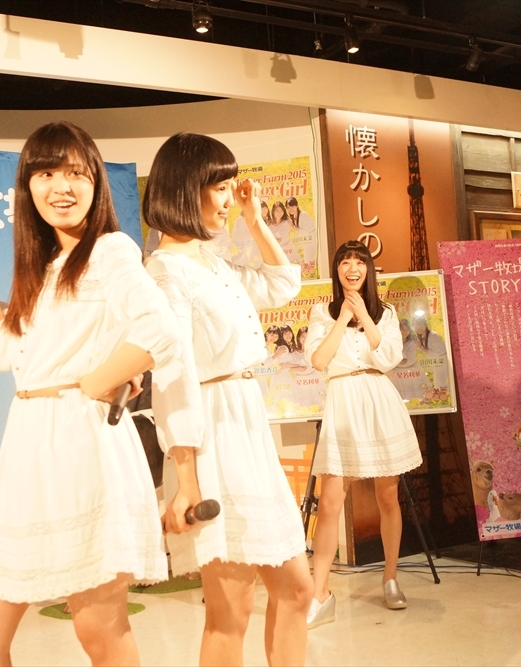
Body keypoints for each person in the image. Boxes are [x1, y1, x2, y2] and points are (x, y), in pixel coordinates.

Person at [0, 122, 192, 666]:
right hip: (29, 449)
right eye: (46, 174)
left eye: (75, 174)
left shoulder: (109, 250)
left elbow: (161, 330)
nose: (61, 186)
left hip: (82, 446)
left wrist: (99, 379)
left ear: (95, 183)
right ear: (27, 186)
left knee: (99, 631)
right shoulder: (42, 267)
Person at [143, 133, 313, 667]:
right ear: (184, 188)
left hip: (245, 424)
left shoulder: (212, 263)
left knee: (297, 590)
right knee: (230, 612)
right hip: (209, 436)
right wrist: (186, 478)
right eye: (219, 187)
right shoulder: (164, 272)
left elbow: (283, 285)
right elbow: (171, 378)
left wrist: (254, 221)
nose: (227, 198)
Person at [302, 240, 424, 628]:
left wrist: (364, 316)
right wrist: (342, 317)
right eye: (345, 262)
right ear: (336, 269)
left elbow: (389, 358)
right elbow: (319, 360)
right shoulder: (321, 312)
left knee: (387, 495)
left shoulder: (385, 313)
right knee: (330, 502)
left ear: (369, 269)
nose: (352, 268)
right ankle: (320, 594)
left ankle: (390, 578)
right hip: (343, 403)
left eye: (359, 262)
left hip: (378, 400)